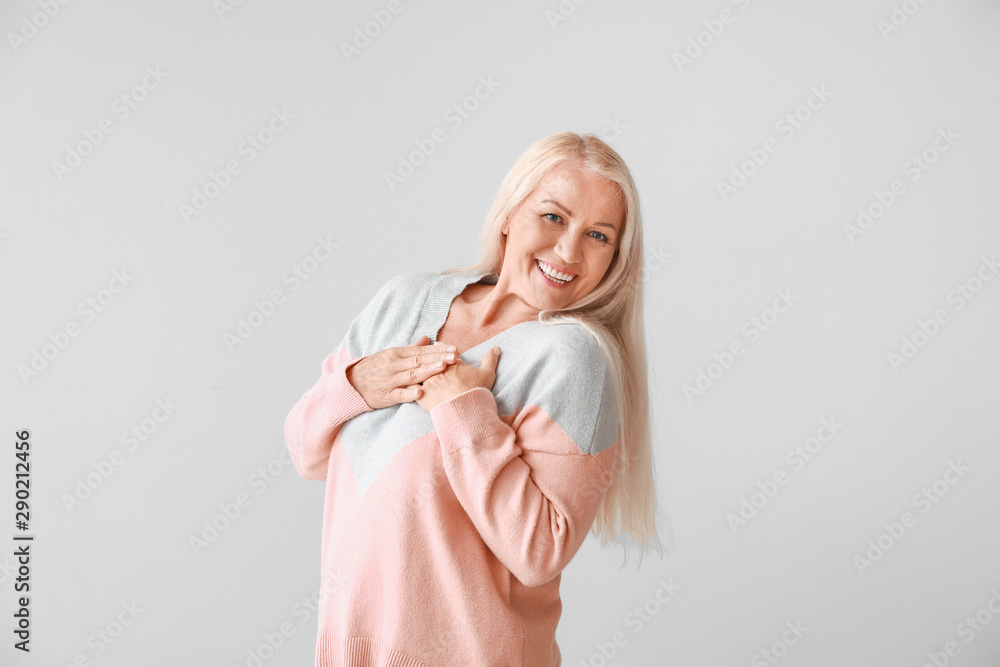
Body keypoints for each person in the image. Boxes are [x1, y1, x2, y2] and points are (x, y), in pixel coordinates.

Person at [284, 131, 665, 666]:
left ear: (614, 259)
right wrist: (357, 384)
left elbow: (540, 552)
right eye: (553, 217)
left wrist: (462, 412)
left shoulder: (573, 358)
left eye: (598, 236)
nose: (568, 251)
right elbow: (307, 451)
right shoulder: (403, 301)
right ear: (510, 213)